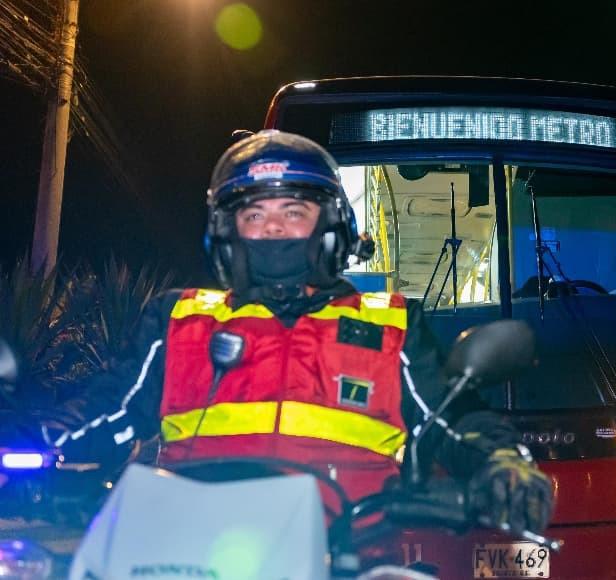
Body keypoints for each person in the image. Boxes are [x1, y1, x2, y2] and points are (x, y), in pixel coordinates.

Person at [16, 130, 552, 536]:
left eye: (293, 211)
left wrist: (501, 464)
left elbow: (450, 419)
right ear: (228, 232)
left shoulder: (389, 325)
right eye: (254, 214)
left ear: (331, 228)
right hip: (191, 555)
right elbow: (108, 408)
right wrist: (31, 441)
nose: (272, 227)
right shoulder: (179, 320)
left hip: (347, 556)